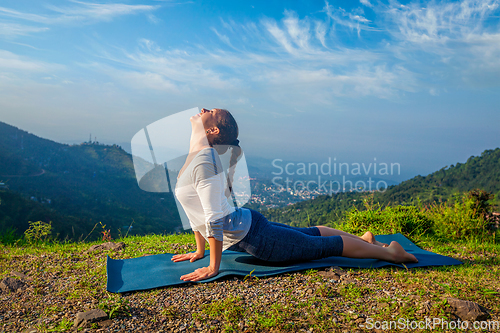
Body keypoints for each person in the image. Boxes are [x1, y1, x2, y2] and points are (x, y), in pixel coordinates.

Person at [171, 108, 418, 282]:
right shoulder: (198, 158)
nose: (202, 109)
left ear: (212, 129)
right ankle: (364, 240)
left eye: (209, 111)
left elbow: (214, 217)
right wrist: (200, 251)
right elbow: (198, 213)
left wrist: (213, 267)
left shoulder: (205, 160)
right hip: (251, 227)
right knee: (312, 234)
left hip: (258, 239)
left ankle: (390, 253)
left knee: (322, 246)